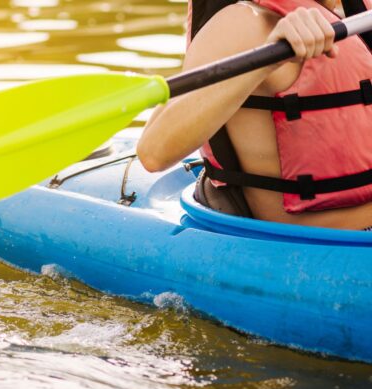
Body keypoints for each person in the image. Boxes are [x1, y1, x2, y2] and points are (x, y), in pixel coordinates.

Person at [137, 0, 372, 230]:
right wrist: (266, 60)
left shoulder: (357, 10)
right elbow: (154, 152)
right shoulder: (242, 25)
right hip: (315, 248)